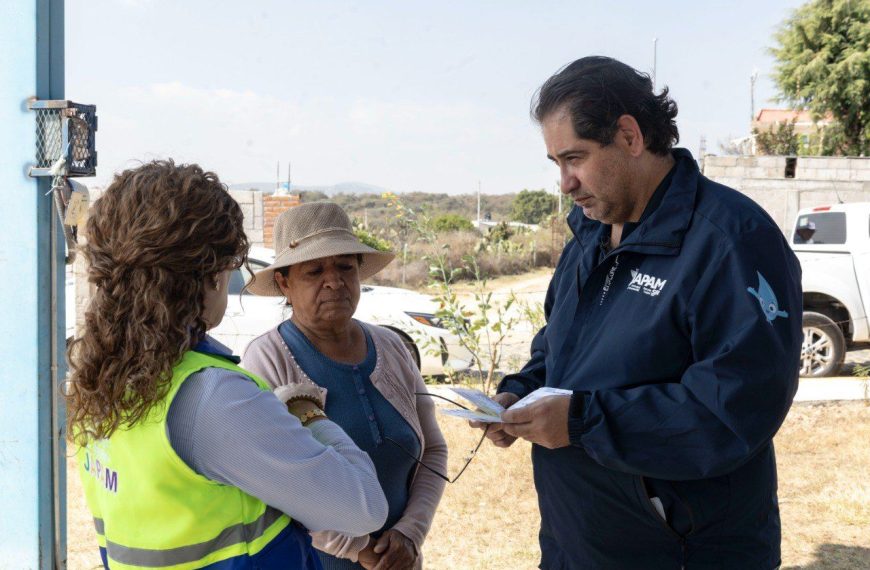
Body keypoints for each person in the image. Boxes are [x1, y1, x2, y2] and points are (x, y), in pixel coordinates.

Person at [477, 56, 802, 569]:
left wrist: (582, 422)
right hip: (577, 540)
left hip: (682, 549)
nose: (565, 182)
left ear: (629, 135)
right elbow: (561, 348)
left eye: (575, 158)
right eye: (556, 163)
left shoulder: (730, 239)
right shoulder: (589, 233)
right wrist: (520, 391)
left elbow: (737, 408)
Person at [66, 161, 388, 570]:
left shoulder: (105, 378)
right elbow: (363, 508)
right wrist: (308, 414)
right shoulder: (213, 398)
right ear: (211, 276)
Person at [242, 202, 448, 570]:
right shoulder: (267, 360)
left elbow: (432, 449)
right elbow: (274, 484)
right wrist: (360, 550)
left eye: (345, 267)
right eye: (314, 271)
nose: (334, 281)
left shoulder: (391, 347)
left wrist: (409, 536)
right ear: (284, 283)